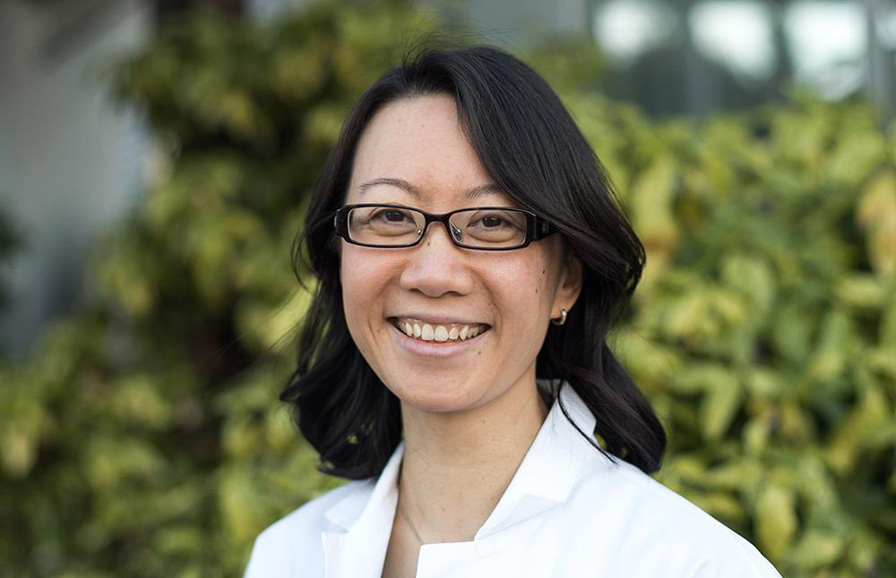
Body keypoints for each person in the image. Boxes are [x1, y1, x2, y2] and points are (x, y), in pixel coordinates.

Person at [243, 45, 783, 578]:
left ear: (566, 279)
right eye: (390, 215)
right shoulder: (286, 556)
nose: (434, 274)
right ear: (339, 254)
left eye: (492, 222)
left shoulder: (690, 564)